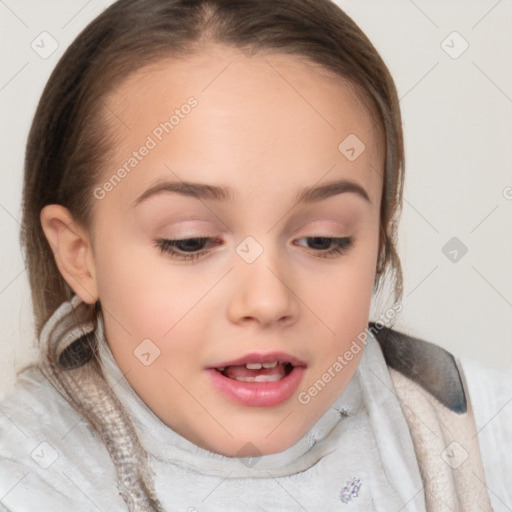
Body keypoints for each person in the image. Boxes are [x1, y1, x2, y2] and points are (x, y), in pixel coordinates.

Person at [0, 0, 510, 510]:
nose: (267, 301)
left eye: (323, 239)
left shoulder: (479, 434)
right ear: (78, 256)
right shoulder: (27, 477)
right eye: (190, 242)